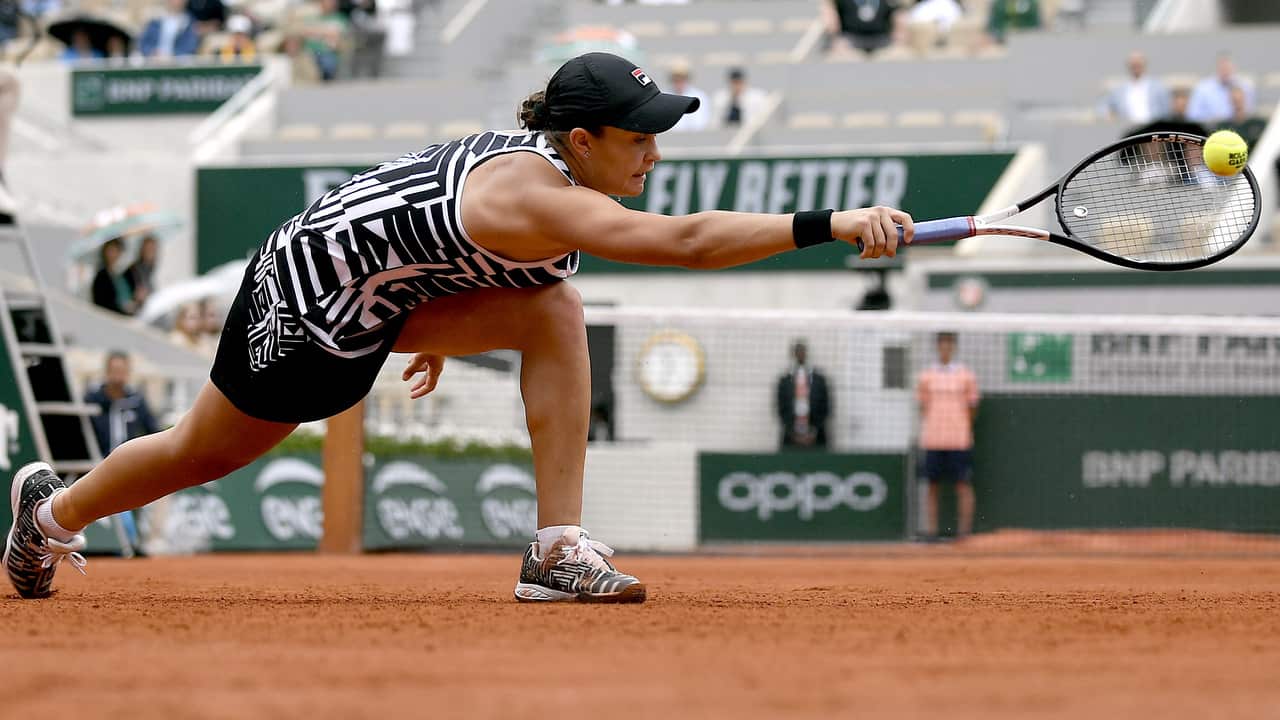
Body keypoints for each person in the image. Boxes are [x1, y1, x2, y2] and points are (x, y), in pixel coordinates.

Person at [3, 51, 913, 603]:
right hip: (307, 300)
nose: (654, 151)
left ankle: (556, 548)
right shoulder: (539, 194)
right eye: (638, 136)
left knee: (555, 307)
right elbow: (680, 243)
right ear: (582, 141)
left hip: (388, 296)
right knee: (202, 452)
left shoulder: (555, 176)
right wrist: (829, 224)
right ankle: (50, 514)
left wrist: (434, 318)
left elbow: (439, 240)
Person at [84, 351, 159, 557]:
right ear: (106, 372)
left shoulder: (136, 399)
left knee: (140, 501)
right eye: (114, 370)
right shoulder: (92, 399)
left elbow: (154, 429)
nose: (118, 375)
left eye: (122, 370)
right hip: (98, 463)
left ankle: (133, 542)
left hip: (131, 464)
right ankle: (124, 544)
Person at [916, 332, 978, 541]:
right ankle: (932, 532)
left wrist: (961, 427)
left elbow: (972, 407)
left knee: (963, 485)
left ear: (954, 347)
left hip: (959, 440)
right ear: (937, 347)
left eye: (949, 344)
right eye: (942, 344)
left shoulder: (966, 375)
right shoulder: (926, 376)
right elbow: (923, 406)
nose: (945, 348)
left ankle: (964, 534)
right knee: (932, 486)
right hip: (933, 439)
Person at [776, 340, 831, 450]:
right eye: (798, 351)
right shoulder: (785, 380)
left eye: (802, 351)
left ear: (806, 353)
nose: (800, 354)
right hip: (791, 436)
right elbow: (781, 408)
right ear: (794, 354)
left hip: (816, 436)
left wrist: (813, 431)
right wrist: (793, 432)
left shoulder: (818, 379)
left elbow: (825, 407)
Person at [1099, 51, 1170, 124]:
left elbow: (1167, 109)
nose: (1136, 67)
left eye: (1139, 64)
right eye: (1133, 65)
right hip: (1128, 128)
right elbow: (1102, 106)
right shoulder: (1120, 90)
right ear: (1128, 66)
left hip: (1152, 127)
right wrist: (1107, 115)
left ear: (1144, 65)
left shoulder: (1158, 87)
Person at [1187, 54, 1255, 125]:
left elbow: (1249, 113)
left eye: (1227, 68)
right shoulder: (1202, 88)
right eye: (1222, 68)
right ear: (1217, 68)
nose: (1225, 71)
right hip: (1209, 130)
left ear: (1233, 68)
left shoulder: (1245, 87)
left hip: (1238, 129)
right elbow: (1193, 116)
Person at [91, 238, 146, 316]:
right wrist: (123, 308)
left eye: (116, 250)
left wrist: (138, 301)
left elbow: (136, 300)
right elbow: (101, 303)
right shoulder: (101, 276)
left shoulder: (126, 275)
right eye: (111, 250)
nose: (113, 254)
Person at [824, 0, 900, 56]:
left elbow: (898, 16)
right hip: (851, 39)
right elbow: (832, 19)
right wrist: (835, 38)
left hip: (882, 39)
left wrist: (898, 39)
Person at [666, 61, 710, 132]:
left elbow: (701, 122)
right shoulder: (665, 96)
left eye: (682, 78)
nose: (679, 81)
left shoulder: (699, 96)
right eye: (676, 78)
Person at [125, 234, 159, 304]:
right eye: (147, 248)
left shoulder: (150, 269)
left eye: (153, 249)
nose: (150, 251)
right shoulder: (133, 270)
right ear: (142, 249)